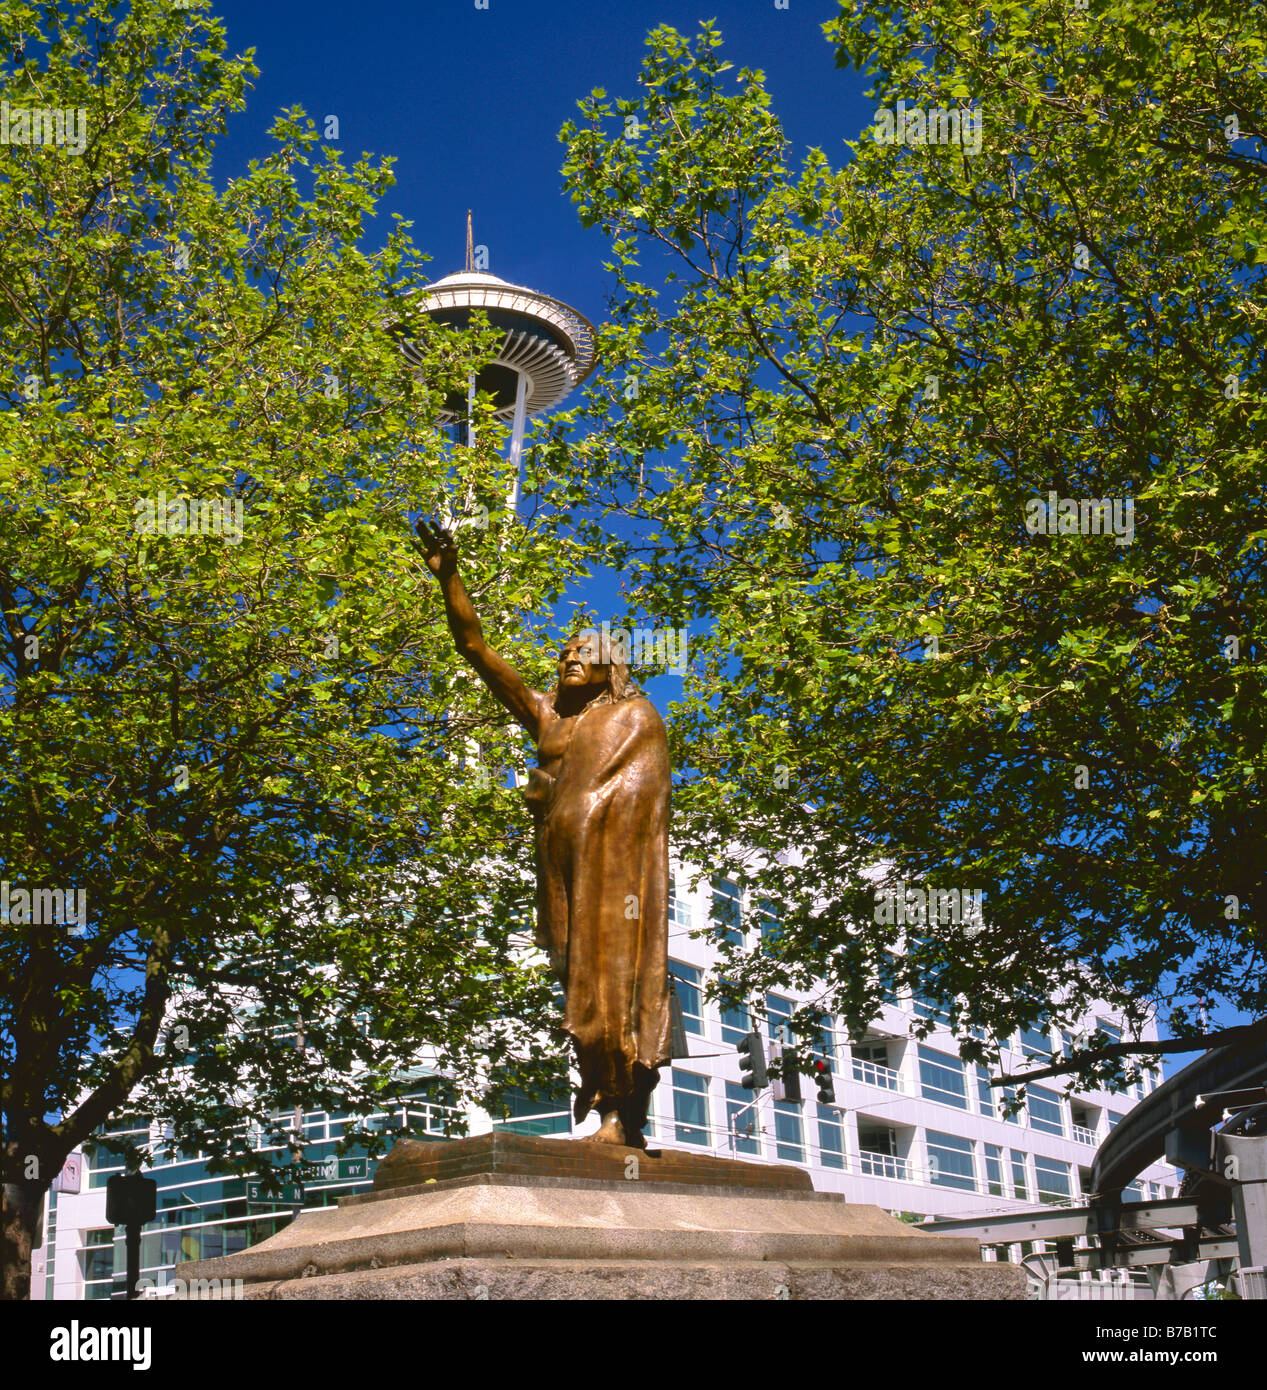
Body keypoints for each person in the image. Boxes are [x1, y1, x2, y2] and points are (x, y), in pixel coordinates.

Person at [416, 520, 671, 1147]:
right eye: (564, 653)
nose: (570, 658)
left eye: (584, 651)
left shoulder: (634, 715)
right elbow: (474, 648)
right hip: (562, 874)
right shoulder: (549, 720)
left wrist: (582, 812)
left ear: (612, 664)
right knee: (580, 982)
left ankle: (620, 1119)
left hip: (615, 877)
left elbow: (641, 798)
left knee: (616, 982)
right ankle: (613, 1115)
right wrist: (451, 576)